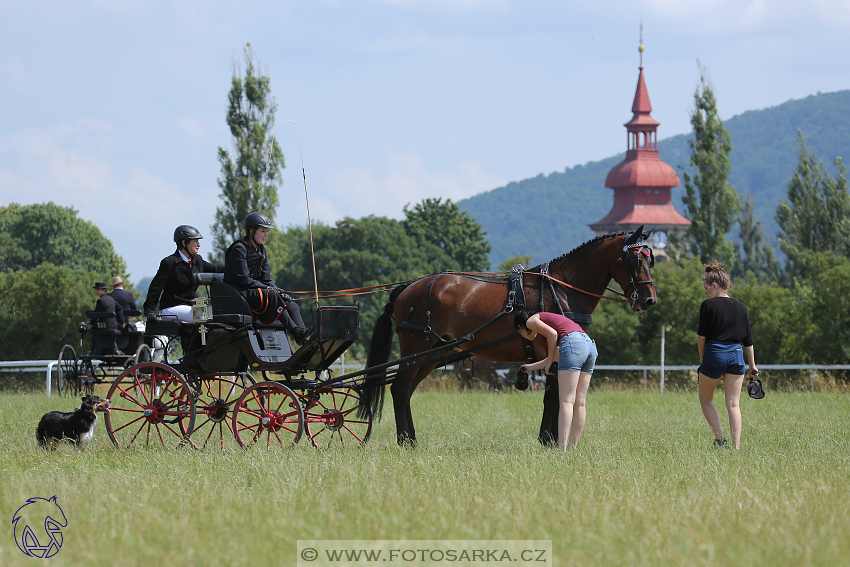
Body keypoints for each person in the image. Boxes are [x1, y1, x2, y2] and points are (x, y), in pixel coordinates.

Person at [515, 308, 597, 452]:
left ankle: (562, 450)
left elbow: (552, 335)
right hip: (589, 345)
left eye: (519, 331)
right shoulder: (561, 326)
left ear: (520, 327)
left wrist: (548, 363)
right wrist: (531, 367)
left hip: (574, 344)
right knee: (580, 402)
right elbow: (560, 354)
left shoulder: (531, 321)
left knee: (566, 400)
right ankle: (572, 449)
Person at [224, 212, 313, 344]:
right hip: (239, 293)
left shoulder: (262, 250)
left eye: (267, 231)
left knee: (291, 304)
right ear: (251, 231)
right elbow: (244, 280)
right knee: (272, 295)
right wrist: (270, 290)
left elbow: (267, 279)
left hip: (255, 291)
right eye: (263, 231)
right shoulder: (239, 248)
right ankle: (295, 331)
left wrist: (279, 291)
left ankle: (305, 339)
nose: (266, 235)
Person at [697, 261, 759, 450]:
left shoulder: (707, 305)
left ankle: (720, 440)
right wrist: (753, 365)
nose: (706, 292)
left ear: (715, 286)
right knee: (733, 404)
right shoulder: (741, 307)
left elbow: (701, 337)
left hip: (714, 353)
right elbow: (748, 340)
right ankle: (737, 447)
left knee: (706, 399)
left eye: (707, 288)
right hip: (736, 355)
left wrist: (702, 358)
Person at [143, 225, 224, 324]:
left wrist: (237, 268)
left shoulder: (197, 260)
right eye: (196, 241)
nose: (199, 244)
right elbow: (155, 288)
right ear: (184, 242)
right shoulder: (169, 262)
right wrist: (150, 311)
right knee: (202, 316)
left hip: (191, 308)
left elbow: (217, 269)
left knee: (214, 315)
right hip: (171, 308)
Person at [91, 281, 124, 356]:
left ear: (103, 290)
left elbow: (96, 314)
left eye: (98, 290)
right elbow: (119, 308)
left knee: (92, 330)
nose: (96, 292)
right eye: (96, 290)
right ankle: (115, 349)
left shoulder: (100, 300)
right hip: (113, 325)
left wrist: (92, 322)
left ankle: (92, 350)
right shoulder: (111, 299)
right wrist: (122, 321)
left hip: (104, 326)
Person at [109, 276, 138, 351]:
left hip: (112, 325)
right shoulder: (128, 295)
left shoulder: (109, 296)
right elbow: (135, 309)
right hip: (125, 325)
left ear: (113, 286)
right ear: (122, 284)